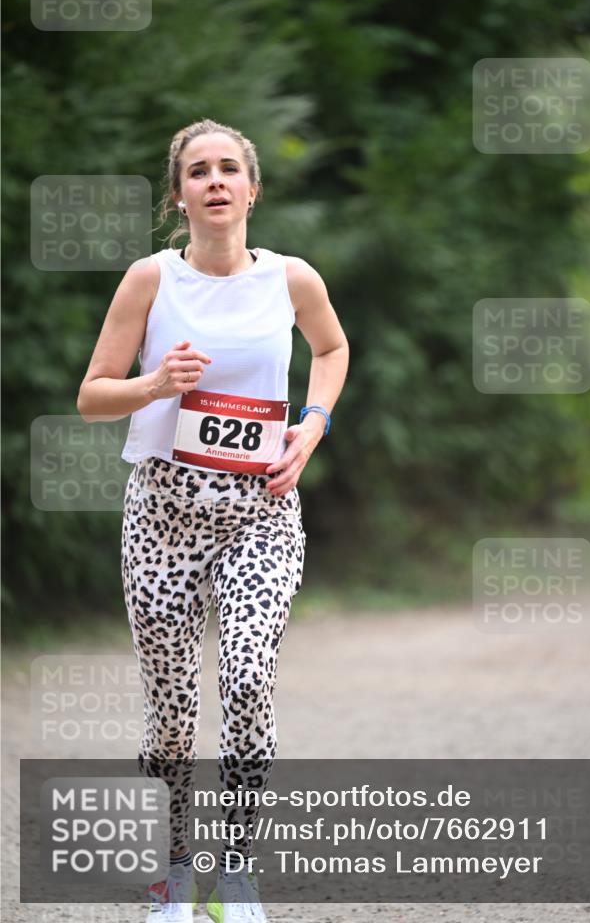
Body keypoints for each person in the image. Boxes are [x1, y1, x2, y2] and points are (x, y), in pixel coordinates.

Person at [77, 119, 349, 923]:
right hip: (161, 516)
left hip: (259, 515)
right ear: (180, 194)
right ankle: (172, 873)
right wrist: (156, 383)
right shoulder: (149, 280)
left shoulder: (293, 279)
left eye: (230, 168)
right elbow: (93, 394)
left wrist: (313, 425)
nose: (216, 180)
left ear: (252, 188)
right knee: (169, 715)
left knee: (245, 674)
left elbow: (330, 351)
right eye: (199, 171)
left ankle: (234, 868)